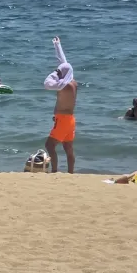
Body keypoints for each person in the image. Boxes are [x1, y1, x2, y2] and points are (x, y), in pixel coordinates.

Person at [43, 36, 78, 173]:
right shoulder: (73, 82)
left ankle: (54, 171)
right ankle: (71, 173)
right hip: (70, 120)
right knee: (68, 148)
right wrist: (58, 46)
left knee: (49, 145)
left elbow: (47, 84)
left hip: (63, 120)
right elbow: (65, 64)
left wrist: (55, 73)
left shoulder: (64, 86)